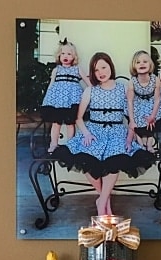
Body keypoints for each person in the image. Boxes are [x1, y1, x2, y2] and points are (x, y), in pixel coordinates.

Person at [52, 52, 155, 216]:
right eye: (96, 69)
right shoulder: (90, 91)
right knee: (84, 157)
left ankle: (102, 203)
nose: (100, 72)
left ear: (110, 67)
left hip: (116, 132)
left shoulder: (123, 88)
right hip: (94, 131)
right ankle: (104, 201)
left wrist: (130, 138)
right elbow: (78, 118)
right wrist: (85, 134)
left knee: (115, 160)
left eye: (103, 67)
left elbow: (132, 118)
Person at [40, 39, 90, 153]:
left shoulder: (77, 69)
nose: (65, 56)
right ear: (59, 55)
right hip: (57, 101)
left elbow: (88, 82)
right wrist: (47, 99)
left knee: (70, 123)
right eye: (63, 53)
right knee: (56, 123)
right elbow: (51, 85)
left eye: (69, 54)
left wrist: (95, 91)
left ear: (74, 57)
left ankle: (70, 144)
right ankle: (53, 144)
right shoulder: (56, 70)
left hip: (72, 100)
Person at [126, 50, 161, 153]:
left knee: (155, 116)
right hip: (138, 102)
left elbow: (157, 99)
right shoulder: (132, 81)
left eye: (145, 61)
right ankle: (141, 139)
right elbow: (130, 101)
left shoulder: (155, 79)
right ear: (134, 66)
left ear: (150, 64)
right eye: (138, 62)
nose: (142, 64)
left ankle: (150, 140)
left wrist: (153, 116)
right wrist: (132, 121)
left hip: (153, 102)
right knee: (136, 114)